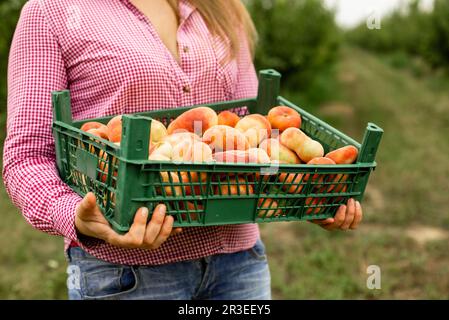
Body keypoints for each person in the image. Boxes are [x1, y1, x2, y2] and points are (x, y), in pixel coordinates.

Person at [3, 0, 363, 300]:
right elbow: (27, 155)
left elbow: (251, 130)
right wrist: (78, 217)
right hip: (126, 275)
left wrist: (302, 192)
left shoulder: (219, 6)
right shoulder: (52, 10)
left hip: (238, 262)